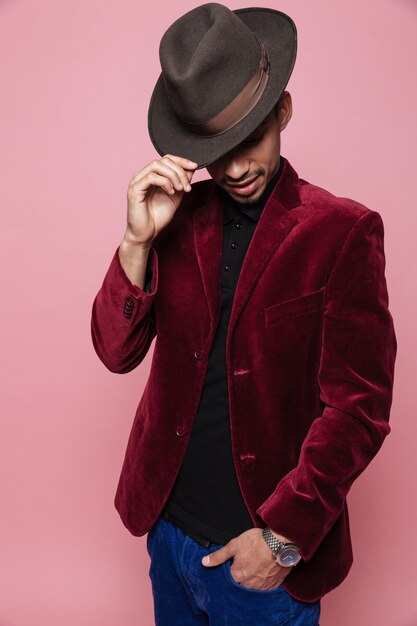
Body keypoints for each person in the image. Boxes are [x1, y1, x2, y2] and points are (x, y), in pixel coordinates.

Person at [90, 4, 397, 625]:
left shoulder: (342, 231)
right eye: (215, 150)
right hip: (168, 533)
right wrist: (136, 241)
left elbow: (359, 410)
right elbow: (115, 353)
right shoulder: (174, 221)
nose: (233, 169)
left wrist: (283, 540)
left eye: (249, 138)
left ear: (283, 111)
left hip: (259, 560)